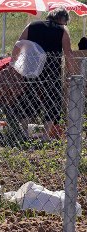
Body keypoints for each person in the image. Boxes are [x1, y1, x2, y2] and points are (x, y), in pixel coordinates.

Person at [18, 8, 74, 139]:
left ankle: (26, 133)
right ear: (62, 19)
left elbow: (20, 43)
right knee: (53, 100)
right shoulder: (63, 30)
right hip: (51, 70)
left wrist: (17, 63)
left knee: (29, 97)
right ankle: (46, 135)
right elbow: (68, 53)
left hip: (31, 68)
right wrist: (70, 73)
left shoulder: (31, 25)